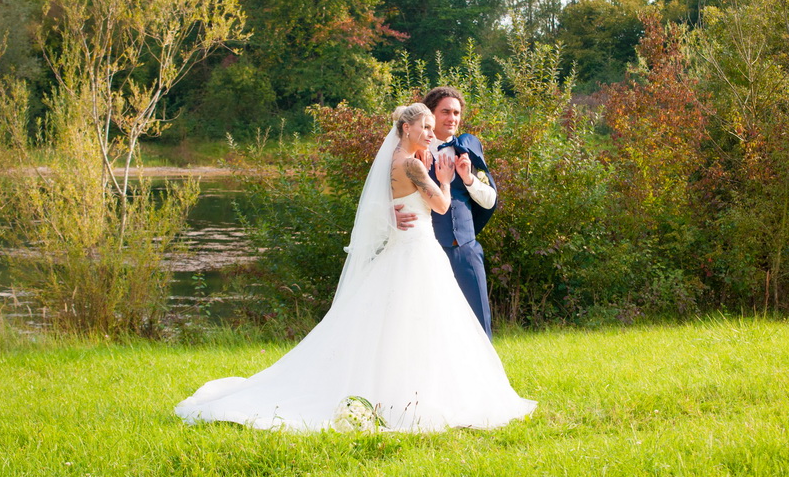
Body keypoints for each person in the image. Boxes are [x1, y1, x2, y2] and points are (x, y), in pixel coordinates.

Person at [175, 103, 535, 432]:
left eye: (431, 126)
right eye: (425, 126)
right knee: (424, 321)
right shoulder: (410, 163)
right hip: (416, 252)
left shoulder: (398, 158)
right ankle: (414, 396)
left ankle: (404, 389)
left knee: (404, 324)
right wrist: (443, 179)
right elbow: (441, 206)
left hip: (406, 249)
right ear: (406, 128)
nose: (430, 133)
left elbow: (380, 205)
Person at [396, 87, 497, 338]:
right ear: (430, 115)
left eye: (456, 112)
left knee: (479, 320)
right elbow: (387, 192)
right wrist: (390, 214)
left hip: (466, 248)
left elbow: (490, 200)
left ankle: (484, 376)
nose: (452, 118)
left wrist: (468, 178)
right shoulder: (410, 154)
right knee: (431, 325)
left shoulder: (468, 148)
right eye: (445, 112)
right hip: (428, 250)